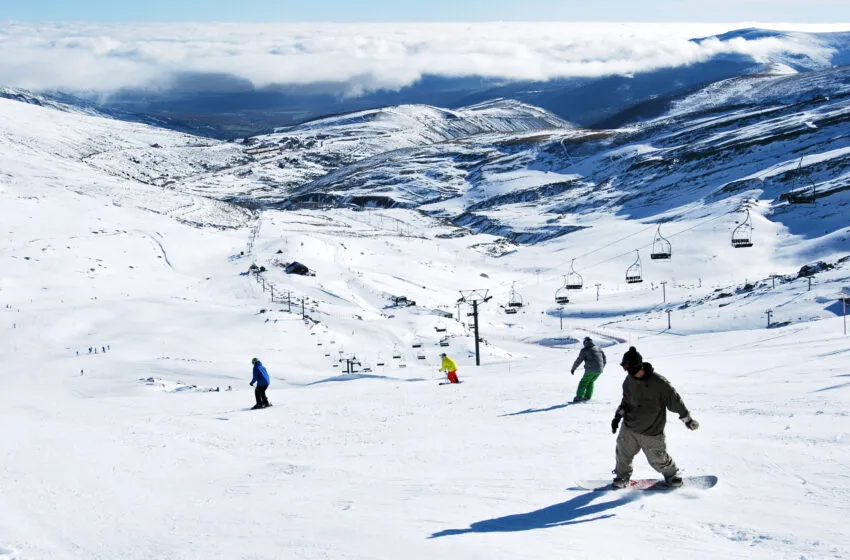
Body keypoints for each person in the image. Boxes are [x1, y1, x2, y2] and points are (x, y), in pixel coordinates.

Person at [610, 346, 699, 489]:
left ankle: (672, 476)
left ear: (639, 366)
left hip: (651, 431)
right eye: (629, 372)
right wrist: (617, 417)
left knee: (659, 459)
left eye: (634, 371)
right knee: (623, 454)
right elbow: (626, 401)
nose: (633, 374)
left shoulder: (659, 383)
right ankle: (622, 477)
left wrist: (687, 419)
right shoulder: (629, 380)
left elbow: (675, 401)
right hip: (629, 427)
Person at [570, 336, 607, 402]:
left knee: (583, 382)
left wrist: (573, 368)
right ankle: (588, 396)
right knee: (590, 381)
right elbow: (604, 359)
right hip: (599, 370)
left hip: (590, 369)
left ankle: (579, 397)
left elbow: (579, 360)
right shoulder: (599, 348)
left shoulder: (585, 350)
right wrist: (600, 367)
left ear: (585, 342)